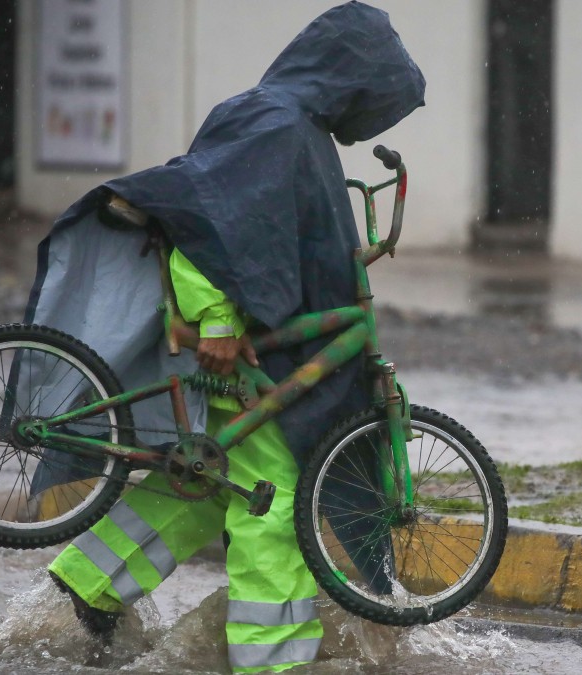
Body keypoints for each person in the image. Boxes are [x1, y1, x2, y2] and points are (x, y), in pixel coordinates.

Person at [24, 2, 425, 672]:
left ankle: (90, 582)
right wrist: (215, 319)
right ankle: (271, 662)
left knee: (212, 483)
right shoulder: (277, 122)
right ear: (352, 79)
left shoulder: (289, 119)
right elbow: (204, 217)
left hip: (267, 344)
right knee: (276, 501)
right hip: (252, 348)